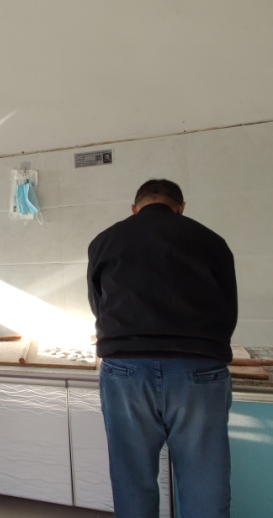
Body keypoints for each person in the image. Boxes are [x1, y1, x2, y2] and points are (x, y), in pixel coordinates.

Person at [87, 179, 237, 518]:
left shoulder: (105, 240)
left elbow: (99, 304)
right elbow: (228, 307)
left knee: (132, 476)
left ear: (134, 208)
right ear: (180, 208)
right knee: (205, 477)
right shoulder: (210, 240)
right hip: (198, 367)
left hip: (125, 369)